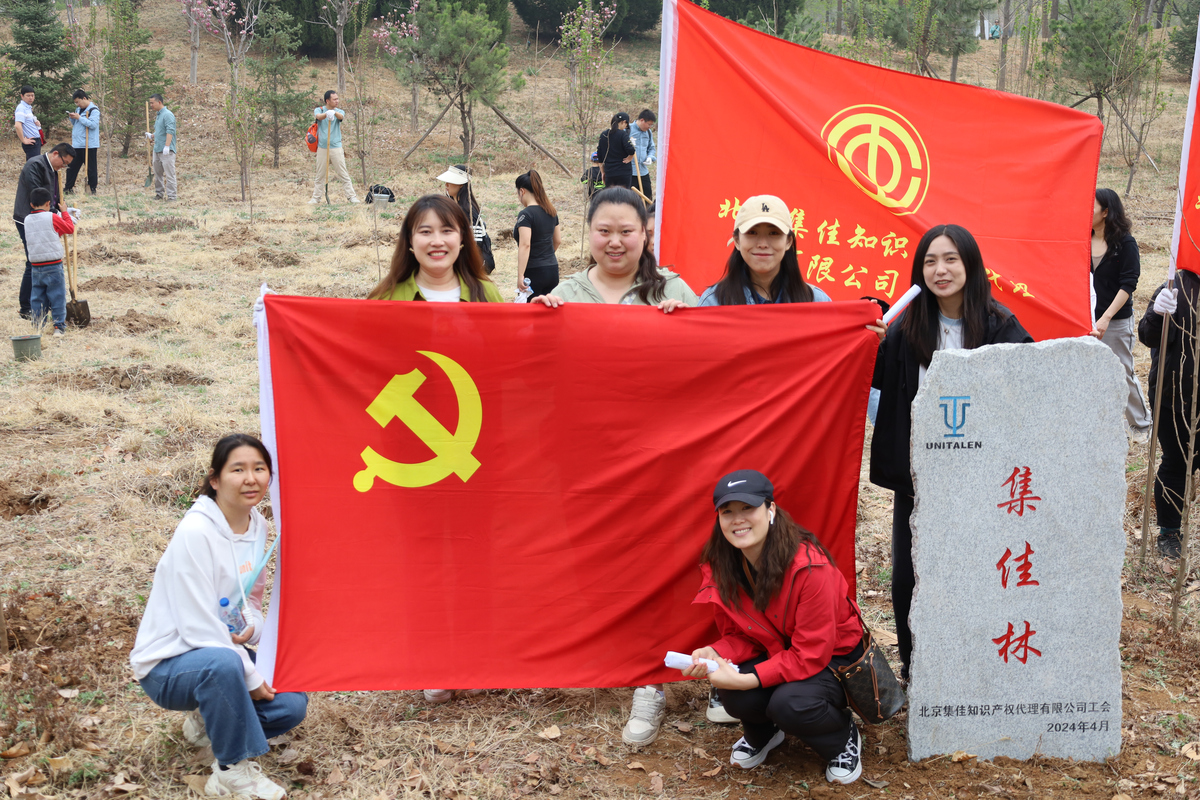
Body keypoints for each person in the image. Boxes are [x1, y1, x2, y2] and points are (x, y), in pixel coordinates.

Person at [867, 224, 1033, 682]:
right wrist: (868, 340)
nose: (940, 270)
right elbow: (871, 375)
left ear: (970, 265)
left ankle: (973, 666)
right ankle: (917, 668)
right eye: (930, 262)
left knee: (975, 571)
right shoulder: (905, 329)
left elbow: (1031, 381)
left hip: (980, 478)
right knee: (909, 578)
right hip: (919, 480)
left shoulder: (1000, 325)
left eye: (950, 259)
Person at [369, 196, 500, 702]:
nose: (437, 241)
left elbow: (516, 366)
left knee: (475, 555)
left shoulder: (487, 295)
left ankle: (476, 656)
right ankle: (431, 659)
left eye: (447, 230)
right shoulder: (386, 299)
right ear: (409, 241)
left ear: (464, 239)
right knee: (423, 557)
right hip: (412, 457)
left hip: (478, 451)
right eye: (424, 231)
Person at [130, 434, 307, 800]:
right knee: (224, 665)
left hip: (222, 652)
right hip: (169, 663)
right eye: (237, 470)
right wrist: (250, 675)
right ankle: (230, 772)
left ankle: (209, 718)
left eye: (259, 468)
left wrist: (252, 627)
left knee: (291, 704)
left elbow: (250, 598)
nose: (251, 479)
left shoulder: (258, 526)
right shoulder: (196, 532)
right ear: (215, 479)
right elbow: (197, 627)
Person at [675, 470, 865, 783]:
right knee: (733, 693)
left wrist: (746, 679)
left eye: (747, 508)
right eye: (727, 511)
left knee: (790, 704)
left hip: (833, 659)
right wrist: (715, 652)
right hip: (779, 650)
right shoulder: (722, 565)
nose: (738, 519)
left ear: (770, 510)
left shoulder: (810, 568)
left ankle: (841, 737)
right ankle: (765, 733)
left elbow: (810, 654)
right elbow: (740, 636)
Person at [533, 187, 696, 310]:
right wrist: (538, 321)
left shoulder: (674, 290)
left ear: (643, 233)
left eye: (626, 231)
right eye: (604, 231)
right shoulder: (564, 296)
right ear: (590, 233)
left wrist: (687, 322)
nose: (615, 242)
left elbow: (705, 342)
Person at [1137, 274, 1200, 559]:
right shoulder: (1176, 287)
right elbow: (1147, 336)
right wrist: (1158, 313)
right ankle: (1169, 532)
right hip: (1174, 397)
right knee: (1176, 464)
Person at [1092, 188, 1152, 442]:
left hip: (1115, 320)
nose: (1086, 212)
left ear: (1106, 212)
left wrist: (1106, 317)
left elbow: (1128, 284)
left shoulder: (1125, 243)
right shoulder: (1082, 239)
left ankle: (1141, 425)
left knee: (1122, 371)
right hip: (1085, 318)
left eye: (1092, 207)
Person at [700, 195, 832, 306]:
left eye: (774, 233)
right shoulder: (713, 302)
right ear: (737, 241)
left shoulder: (817, 302)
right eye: (752, 232)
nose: (762, 244)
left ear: (788, 241)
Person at [14, 143, 74, 320]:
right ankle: (26, 307)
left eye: (66, 165)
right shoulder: (35, 165)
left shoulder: (53, 169)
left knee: (43, 260)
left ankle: (44, 304)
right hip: (29, 219)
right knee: (33, 261)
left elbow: (53, 196)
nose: (63, 166)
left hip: (45, 217)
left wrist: (63, 211)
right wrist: (56, 213)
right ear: (55, 154)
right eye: (64, 162)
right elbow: (37, 194)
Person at [24, 186, 74, 337]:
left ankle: (38, 326)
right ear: (48, 203)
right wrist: (64, 212)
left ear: (31, 204)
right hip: (53, 266)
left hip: (36, 267)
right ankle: (59, 327)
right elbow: (69, 228)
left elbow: (49, 234)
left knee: (37, 298)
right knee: (57, 296)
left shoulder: (27, 220)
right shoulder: (52, 217)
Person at [437, 164, 494, 273]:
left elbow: (475, 243)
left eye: (450, 181)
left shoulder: (468, 210)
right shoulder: (453, 206)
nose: (446, 185)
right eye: (446, 181)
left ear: (461, 185)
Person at [514, 170, 561, 300]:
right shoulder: (551, 211)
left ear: (522, 191)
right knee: (548, 307)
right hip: (552, 270)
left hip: (534, 271)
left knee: (531, 310)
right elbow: (557, 240)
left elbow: (525, 244)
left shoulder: (526, 215)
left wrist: (520, 275)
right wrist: (546, 256)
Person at [308, 90, 359, 204]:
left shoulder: (339, 111)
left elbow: (341, 116)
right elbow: (318, 116)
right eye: (334, 99)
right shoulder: (319, 110)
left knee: (343, 173)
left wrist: (334, 113)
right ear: (327, 101)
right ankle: (316, 198)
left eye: (337, 99)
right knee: (320, 175)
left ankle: (351, 197)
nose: (337, 101)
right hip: (322, 148)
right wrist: (327, 114)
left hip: (336, 147)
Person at [65, 89, 100, 195]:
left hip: (89, 145)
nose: (77, 104)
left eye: (78, 102)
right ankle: (68, 188)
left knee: (91, 168)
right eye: (76, 103)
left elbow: (93, 125)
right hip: (77, 144)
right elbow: (77, 124)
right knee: (72, 167)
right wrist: (73, 118)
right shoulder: (78, 109)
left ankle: (92, 189)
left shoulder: (94, 110)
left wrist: (79, 118)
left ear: (84, 98)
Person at [145, 94, 177, 201]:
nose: (151, 105)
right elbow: (160, 131)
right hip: (157, 149)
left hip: (166, 151)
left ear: (159, 102)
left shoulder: (168, 115)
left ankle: (172, 196)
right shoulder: (159, 115)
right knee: (158, 173)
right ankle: (159, 194)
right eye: (150, 103)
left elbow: (170, 131)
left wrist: (167, 146)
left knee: (169, 174)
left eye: (152, 103)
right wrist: (152, 135)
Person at [597, 112, 636, 189]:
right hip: (623, 172)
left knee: (611, 195)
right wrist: (630, 157)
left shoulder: (604, 135)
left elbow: (600, 156)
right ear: (623, 122)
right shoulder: (623, 134)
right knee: (624, 194)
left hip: (610, 172)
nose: (625, 127)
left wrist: (603, 172)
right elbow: (631, 149)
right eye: (626, 125)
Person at [629, 109, 657, 202]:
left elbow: (651, 148)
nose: (650, 127)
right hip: (630, 172)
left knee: (647, 198)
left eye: (651, 125)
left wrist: (650, 157)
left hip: (643, 172)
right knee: (631, 200)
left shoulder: (648, 132)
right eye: (649, 124)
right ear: (642, 120)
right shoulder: (627, 130)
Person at [14, 86, 40, 161]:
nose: (31, 98)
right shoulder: (21, 108)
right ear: (22, 96)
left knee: (35, 164)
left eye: (32, 95)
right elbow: (17, 125)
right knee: (33, 165)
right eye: (28, 95)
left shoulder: (28, 107)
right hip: (30, 142)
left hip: (35, 141)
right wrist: (23, 140)